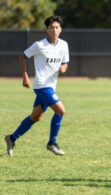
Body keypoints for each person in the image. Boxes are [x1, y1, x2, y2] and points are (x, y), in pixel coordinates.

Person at [5, 16, 69, 156]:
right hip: (41, 85)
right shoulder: (39, 45)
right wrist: (25, 76)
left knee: (35, 117)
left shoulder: (64, 45)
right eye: (51, 27)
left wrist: (64, 67)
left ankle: (11, 138)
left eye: (57, 27)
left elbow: (65, 62)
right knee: (60, 111)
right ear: (47, 30)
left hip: (51, 86)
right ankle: (52, 143)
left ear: (61, 29)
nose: (54, 30)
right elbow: (23, 57)